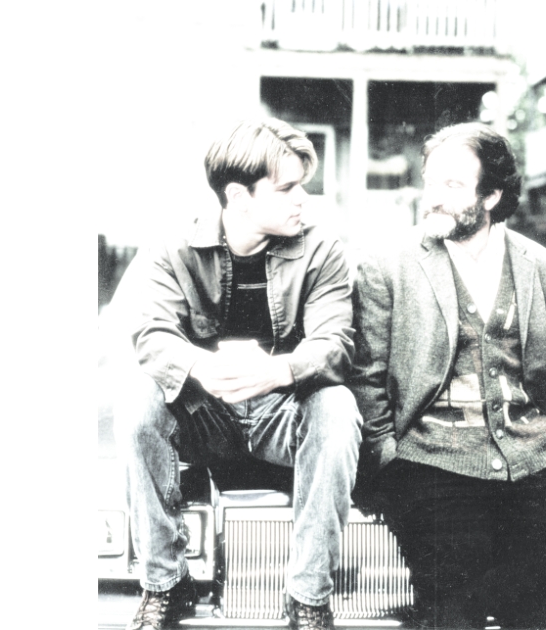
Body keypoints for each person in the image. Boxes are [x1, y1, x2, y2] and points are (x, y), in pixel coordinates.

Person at [112, 118, 361, 630]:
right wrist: (200, 366)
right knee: (138, 399)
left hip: (283, 413)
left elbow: (335, 345)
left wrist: (278, 371)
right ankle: (165, 583)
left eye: (303, 186)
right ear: (238, 196)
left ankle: (309, 598)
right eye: (287, 188)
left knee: (338, 405)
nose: (303, 199)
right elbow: (151, 336)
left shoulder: (323, 247)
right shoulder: (173, 246)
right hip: (206, 414)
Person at [349, 122, 546, 629]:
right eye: (431, 181)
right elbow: (366, 380)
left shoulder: (540, 265)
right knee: (452, 615)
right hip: (433, 467)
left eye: (453, 185)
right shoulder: (387, 267)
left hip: (535, 462)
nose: (433, 196)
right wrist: (389, 460)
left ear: (492, 195)